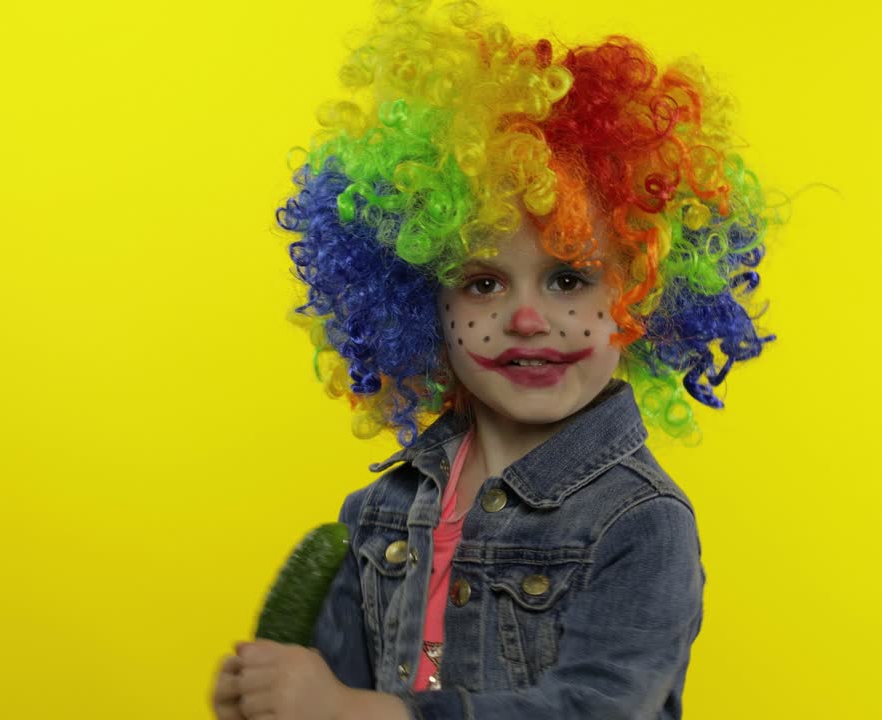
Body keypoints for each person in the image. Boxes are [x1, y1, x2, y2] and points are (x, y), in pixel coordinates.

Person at [213, 1, 779, 717]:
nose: (525, 318)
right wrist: (272, 694)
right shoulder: (378, 512)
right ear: (419, 305)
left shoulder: (640, 522)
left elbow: (597, 707)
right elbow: (333, 692)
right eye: (482, 283)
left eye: (569, 279)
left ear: (641, 295)